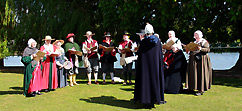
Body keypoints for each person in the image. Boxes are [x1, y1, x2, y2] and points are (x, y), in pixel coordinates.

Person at [134, 23, 166, 108]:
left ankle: (145, 99)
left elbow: (141, 53)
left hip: (145, 66)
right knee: (155, 80)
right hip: (155, 66)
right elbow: (160, 54)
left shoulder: (144, 41)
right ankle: (156, 98)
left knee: (146, 81)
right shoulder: (158, 41)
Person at [185, 30, 212, 96]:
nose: (196, 36)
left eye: (197, 35)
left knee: (201, 73)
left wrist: (200, 49)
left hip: (201, 60)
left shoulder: (204, 42)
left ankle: (201, 89)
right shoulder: (194, 42)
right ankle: (192, 87)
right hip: (194, 60)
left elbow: (207, 50)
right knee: (194, 74)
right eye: (195, 35)